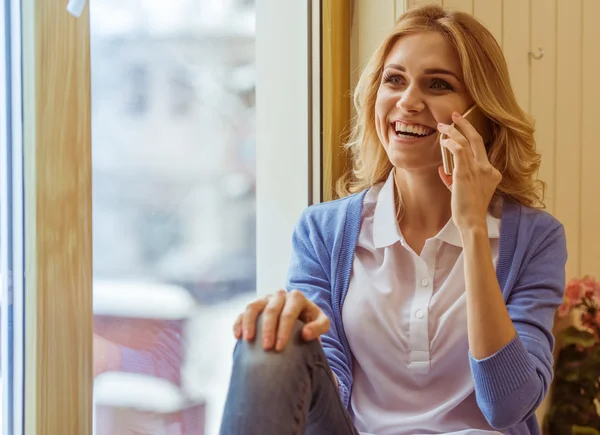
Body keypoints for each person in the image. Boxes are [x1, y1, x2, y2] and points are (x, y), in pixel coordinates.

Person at [220, 5, 567, 435]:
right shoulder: (323, 232)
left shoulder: (535, 238)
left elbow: (507, 405)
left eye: (438, 84)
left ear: (481, 115)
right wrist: (291, 333)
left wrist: (473, 227)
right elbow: (324, 386)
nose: (408, 101)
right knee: (268, 338)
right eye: (395, 80)